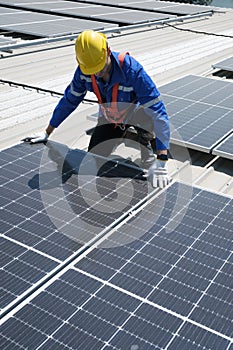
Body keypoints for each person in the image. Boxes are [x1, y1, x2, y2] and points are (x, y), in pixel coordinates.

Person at [26, 30, 171, 188]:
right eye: (92, 70)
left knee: (148, 117)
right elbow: (69, 101)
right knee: (95, 157)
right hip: (111, 117)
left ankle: (148, 154)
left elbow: (158, 112)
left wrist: (162, 160)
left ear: (107, 52)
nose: (96, 73)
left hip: (136, 112)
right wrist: (47, 132)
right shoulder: (83, 72)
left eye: (100, 68)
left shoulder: (132, 70)